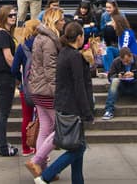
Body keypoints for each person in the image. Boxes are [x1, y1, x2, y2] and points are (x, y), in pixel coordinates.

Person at [32, 21, 94, 184]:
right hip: (73, 108)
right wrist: (87, 112)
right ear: (79, 37)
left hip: (64, 105)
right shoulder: (73, 56)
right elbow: (79, 85)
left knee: (76, 149)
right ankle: (46, 176)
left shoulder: (65, 53)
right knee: (78, 148)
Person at [25, 7, 64, 175]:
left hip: (37, 89)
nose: (63, 22)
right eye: (61, 19)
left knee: (45, 128)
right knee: (62, 128)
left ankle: (41, 168)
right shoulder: (49, 41)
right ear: (54, 21)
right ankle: (36, 161)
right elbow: (50, 69)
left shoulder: (39, 38)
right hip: (48, 91)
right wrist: (58, 93)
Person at [0, 5, 19, 156]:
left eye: (14, 15)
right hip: (4, 77)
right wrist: (19, 71)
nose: (13, 17)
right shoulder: (3, 35)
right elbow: (8, 57)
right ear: (3, 17)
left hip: (3, 76)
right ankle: (2, 146)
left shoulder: (4, 34)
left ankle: (0, 143)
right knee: (3, 113)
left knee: (3, 112)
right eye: (10, 15)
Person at [12, 18, 40, 156]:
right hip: (42, 88)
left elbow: (14, 69)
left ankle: (26, 147)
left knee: (26, 118)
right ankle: (39, 147)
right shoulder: (43, 45)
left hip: (26, 88)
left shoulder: (21, 47)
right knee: (42, 118)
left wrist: (21, 80)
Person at [102, 47, 137, 120]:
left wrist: (134, 74)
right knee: (114, 81)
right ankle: (109, 110)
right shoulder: (116, 62)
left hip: (135, 86)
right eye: (123, 61)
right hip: (122, 87)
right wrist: (118, 76)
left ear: (131, 56)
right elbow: (110, 76)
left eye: (127, 61)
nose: (125, 63)